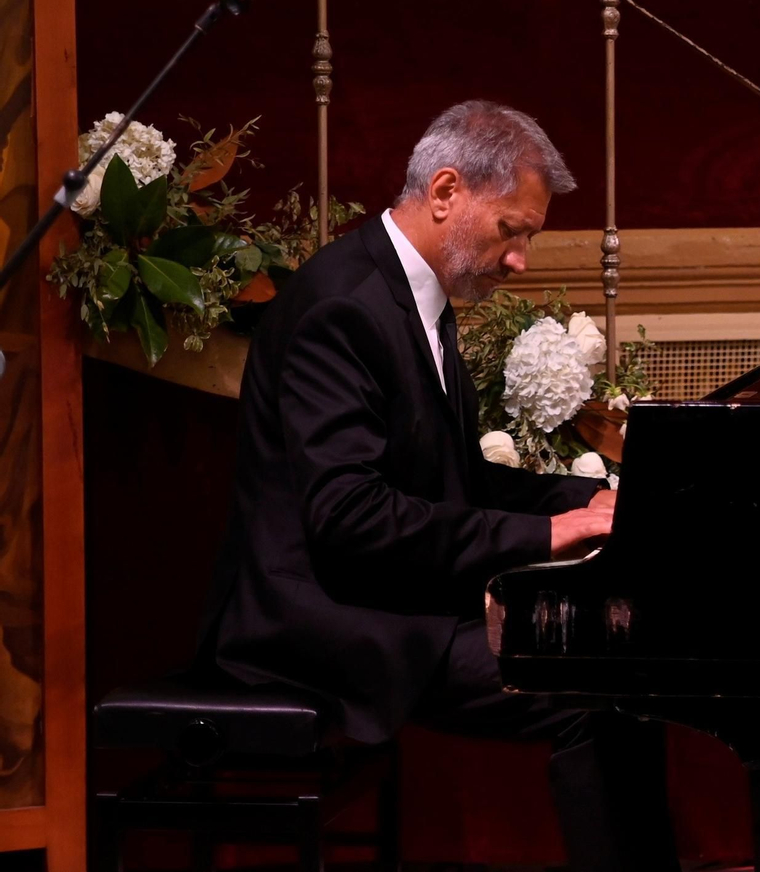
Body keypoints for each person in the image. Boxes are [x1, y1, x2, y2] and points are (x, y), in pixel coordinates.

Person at [199, 100, 677, 872]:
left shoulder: (409, 294)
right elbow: (348, 516)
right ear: (446, 191)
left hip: (376, 596)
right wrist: (544, 535)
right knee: (594, 684)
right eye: (512, 230)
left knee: (616, 671)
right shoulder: (345, 308)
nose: (521, 258)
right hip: (316, 620)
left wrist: (578, 505)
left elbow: (452, 481)